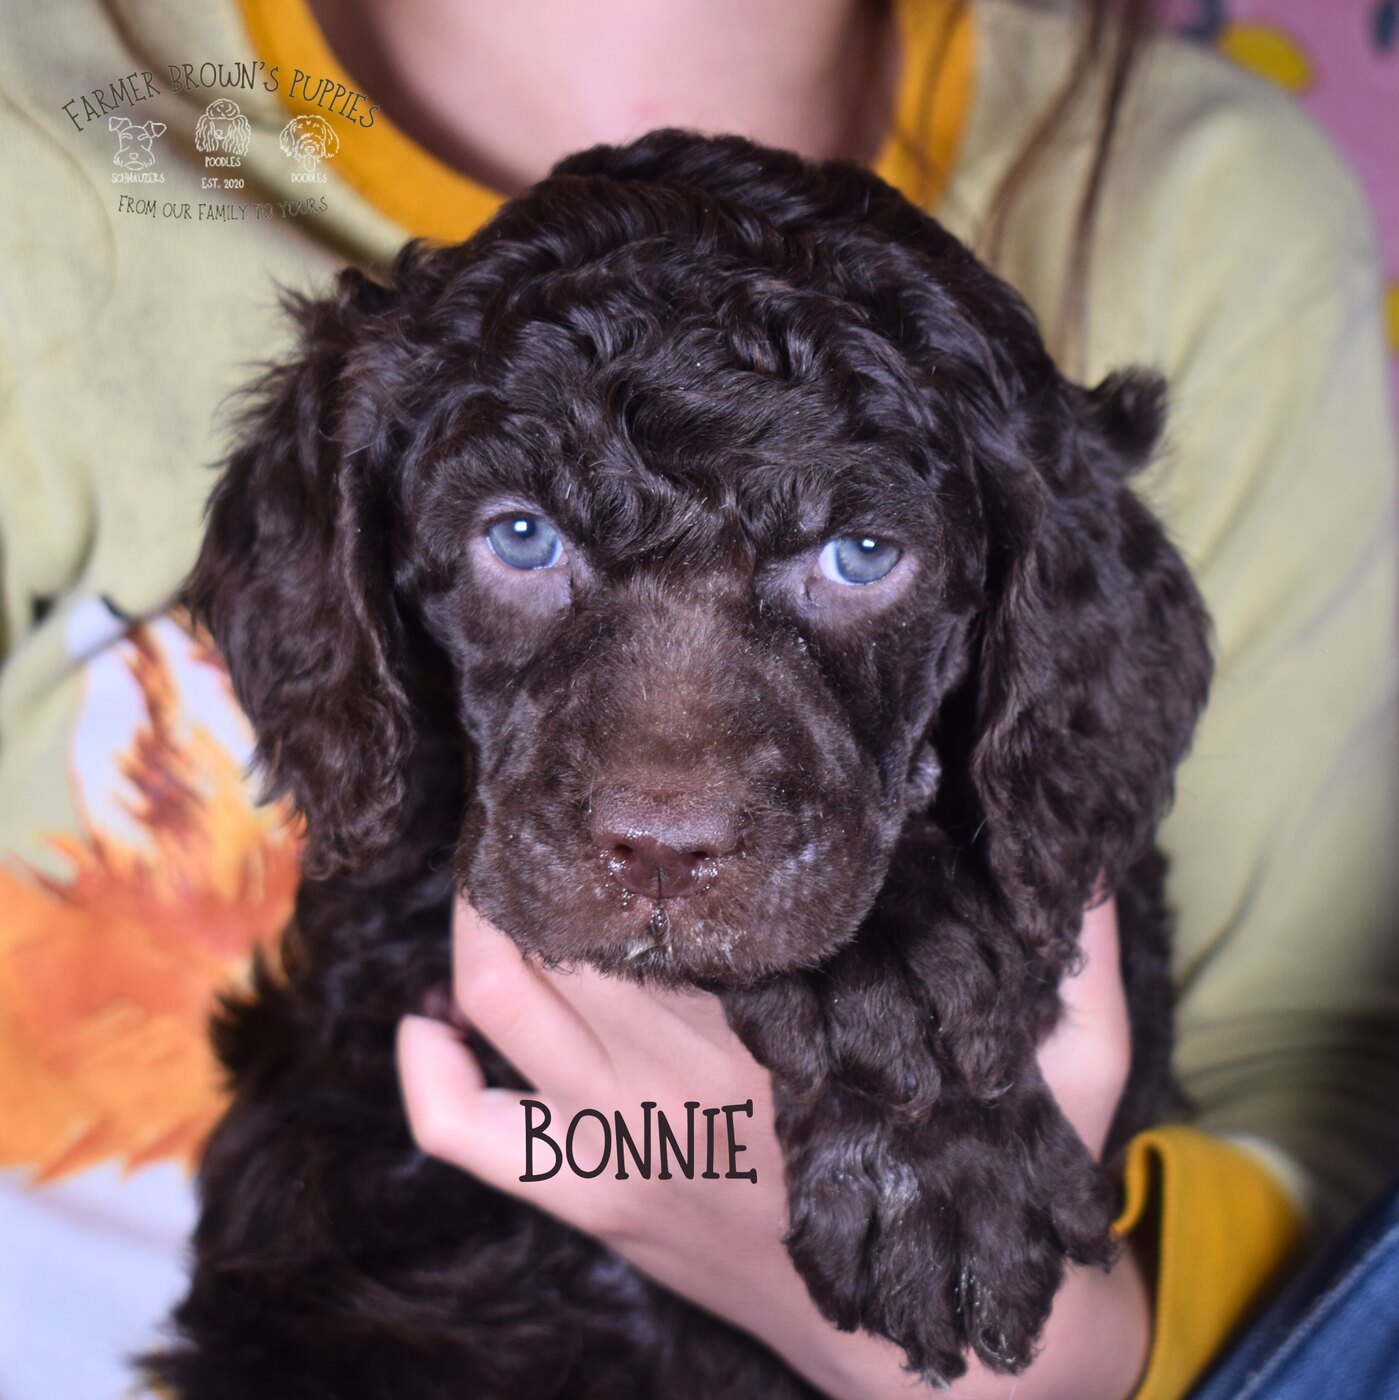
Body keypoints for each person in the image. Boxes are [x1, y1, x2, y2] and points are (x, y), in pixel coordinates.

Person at [0, 0, 1394, 1396]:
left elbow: (1324, 1107)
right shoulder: (47, 151)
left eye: (856, 555)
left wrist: (1026, 1366)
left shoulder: (1210, 220)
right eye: (525, 539)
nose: (665, 804)